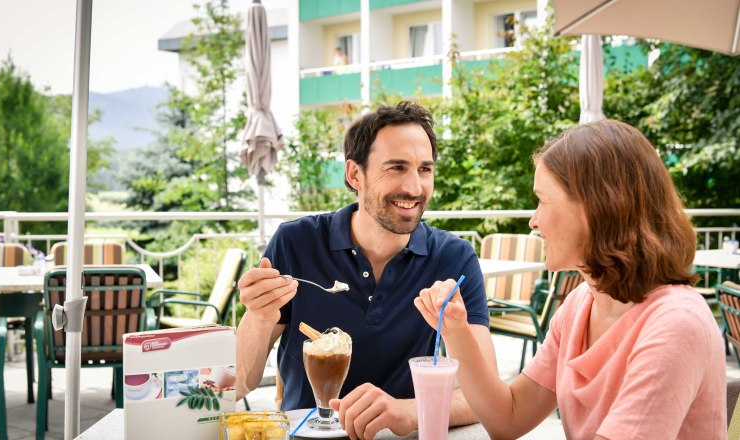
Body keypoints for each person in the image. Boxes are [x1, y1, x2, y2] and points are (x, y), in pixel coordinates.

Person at [415, 119, 727, 439]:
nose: (534, 221)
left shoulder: (675, 324)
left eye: (542, 200)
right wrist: (456, 330)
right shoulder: (581, 304)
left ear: (596, 208)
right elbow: (508, 417)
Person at [236, 101, 496, 439]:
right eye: (397, 167)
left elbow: (487, 398)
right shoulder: (295, 243)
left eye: (425, 169)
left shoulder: (454, 259)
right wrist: (258, 316)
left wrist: (409, 410)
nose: (415, 188)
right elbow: (238, 383)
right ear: (355, 174)